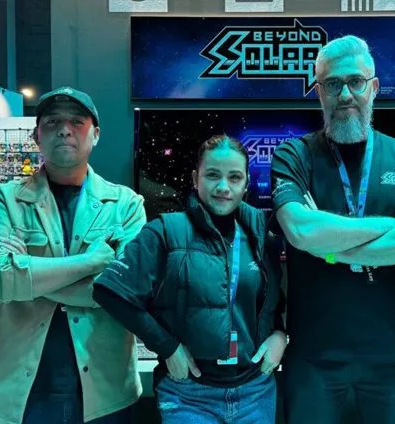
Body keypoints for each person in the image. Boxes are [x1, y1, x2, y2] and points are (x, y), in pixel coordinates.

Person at [271, 35, 395, 424]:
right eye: (333, 84)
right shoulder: (294, 155)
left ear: (374, 87)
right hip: (313, 359)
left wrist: (332, 249)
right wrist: (389, 227)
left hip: (393, 358)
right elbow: (300, 230)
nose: (345, 94)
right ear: (319, 92)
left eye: (355, 81)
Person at [0, 86, 146, 424]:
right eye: (52, 122)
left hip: (105, 392)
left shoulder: (126, 205)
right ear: (37, 135)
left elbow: (128, 290)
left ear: (95, 134)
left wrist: (25, 278)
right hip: (15, 394)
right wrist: (90, 263)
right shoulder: (5, 199)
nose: (64, 129)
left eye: (77, 121)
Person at [92, 135, 287, 424]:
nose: (223, 187)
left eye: (234, 177)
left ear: (246, 184)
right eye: (213, 175)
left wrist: (279, 334)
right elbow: (110, 292)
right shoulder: (165, 231)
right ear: (195, 179)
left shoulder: (261, 236)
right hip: (189, 395)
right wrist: (167, 347)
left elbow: (271, 301)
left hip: (255, 392)